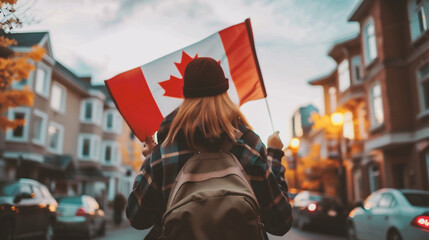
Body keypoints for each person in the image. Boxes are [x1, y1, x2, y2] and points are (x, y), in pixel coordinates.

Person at [126, 57, 292, 239]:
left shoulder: (166, 150)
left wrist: (149, 159)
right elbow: (280, 221)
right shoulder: (249, 144)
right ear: (224, 91)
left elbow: (138, 217)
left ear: (186, 95)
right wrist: (274, 155)